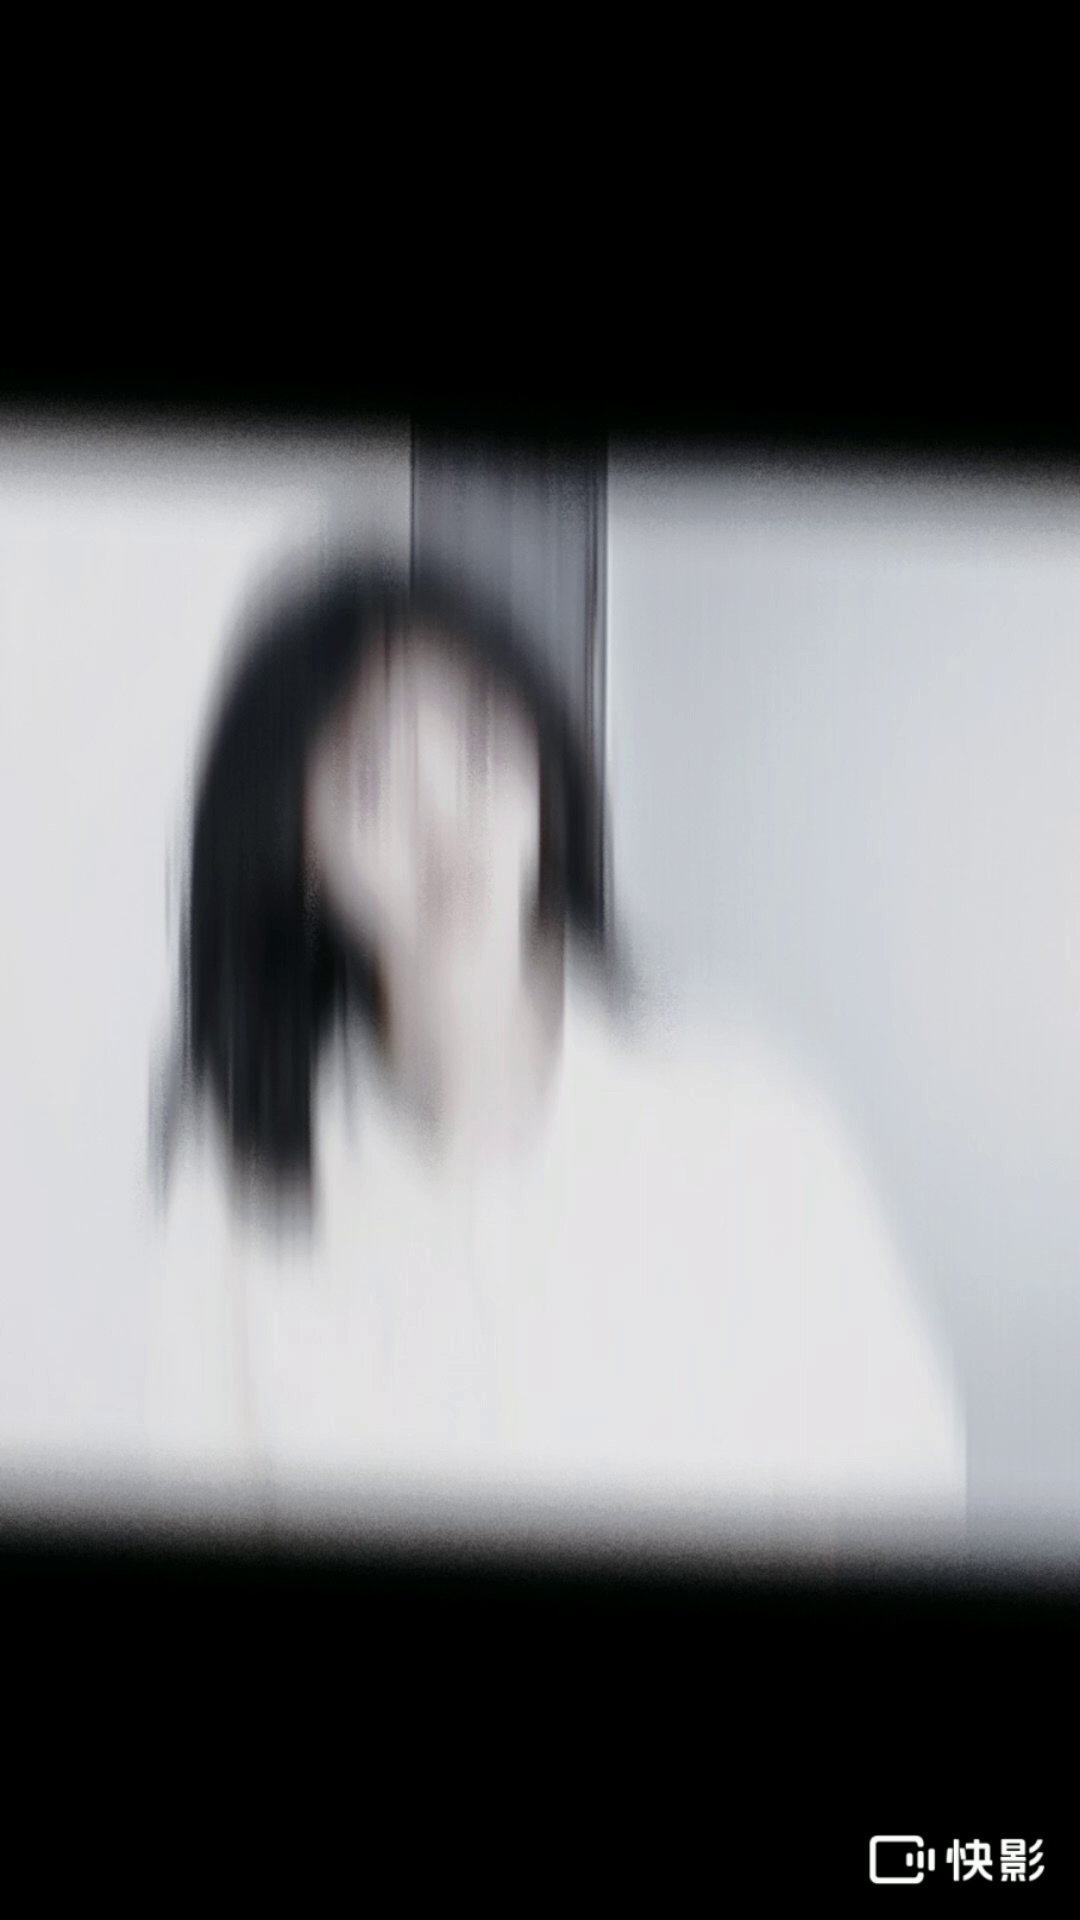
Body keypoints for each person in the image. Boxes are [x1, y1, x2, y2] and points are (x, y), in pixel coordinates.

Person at [145, 557, 965, 1539]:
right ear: (301, 855)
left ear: (541, 775)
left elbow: (901, 1478)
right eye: (369, 783)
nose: (445, 826)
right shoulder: (234, 1174)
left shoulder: (745, 1119)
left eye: (480, 751)